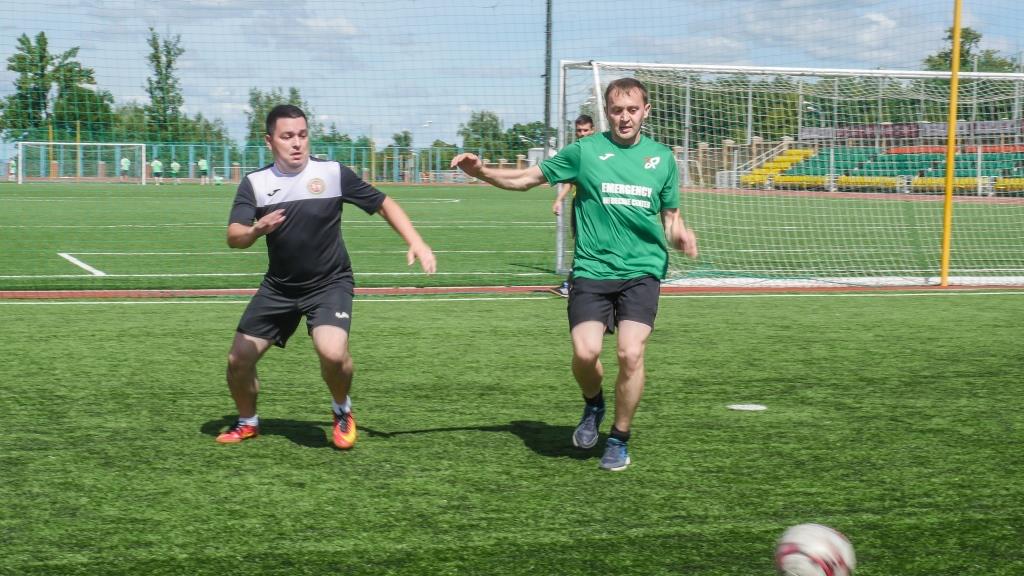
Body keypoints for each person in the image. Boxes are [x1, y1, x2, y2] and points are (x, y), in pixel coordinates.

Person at [451, 78, 697, 471]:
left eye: (632, 110)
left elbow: (670, 217)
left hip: (642, 270)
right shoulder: (585, 152)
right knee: (585, 354)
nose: (625, 117)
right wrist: (480, 171)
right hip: (592, 269)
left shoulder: (662, 158)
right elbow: (527, 179)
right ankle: (594, 404)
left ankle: (619, 437)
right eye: (617, 110)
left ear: (645, 112)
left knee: (630, 353)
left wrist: (680, 234)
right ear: (607, 112)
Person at [217, 104, 436, 450]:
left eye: (302, 135)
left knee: (332, 353)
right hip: (279, 287)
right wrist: (256, 229)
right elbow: (234, 236)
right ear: (269, 141)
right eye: (287, 136)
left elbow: (383, 203)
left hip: (329, 283)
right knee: (237, 361)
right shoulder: (256, 184)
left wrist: (416, 241)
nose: (297, 143)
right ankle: (247, 422)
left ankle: (341, 409)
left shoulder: (332, 174)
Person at [550, 114, 595, 297]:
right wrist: (559, 199)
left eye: (585, 130)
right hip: (579, 205)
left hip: (596, 205)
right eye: (579, 131)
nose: (582, 134)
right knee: (582, 245)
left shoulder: (600, 151)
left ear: (593, 130)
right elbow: (570, 181)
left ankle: (571, 285)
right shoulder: (577, 153)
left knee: (589, 246)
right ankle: (571, 284)